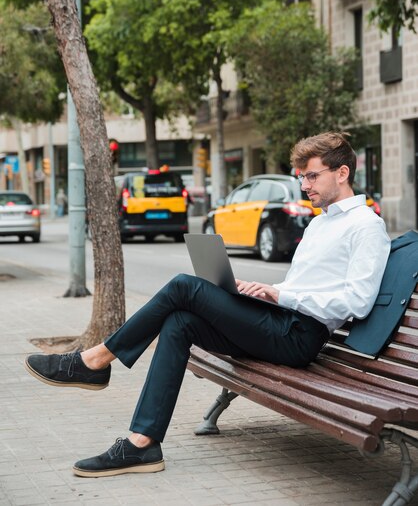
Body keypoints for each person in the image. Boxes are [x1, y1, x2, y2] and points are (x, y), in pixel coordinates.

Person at [25, 131, 391, 478]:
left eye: (311, 176)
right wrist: (261, 290)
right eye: (301, 177)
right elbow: (305, 285)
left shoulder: (365, 226)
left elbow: (357, 302)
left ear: (342, 173)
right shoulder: (319, 224)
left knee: (185, 286)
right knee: (180, 321)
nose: (305, 185)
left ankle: (95, 360)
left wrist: (281, 295)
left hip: (299, 336)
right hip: (279, 319)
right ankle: (143, 444)